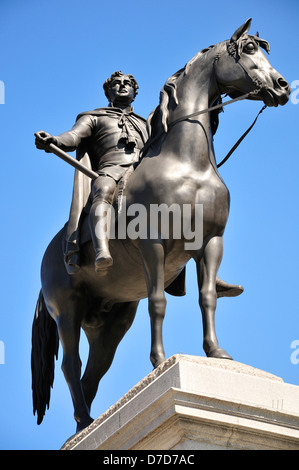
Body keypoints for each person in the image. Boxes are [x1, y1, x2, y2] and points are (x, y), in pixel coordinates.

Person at [35, 71, 148, 273]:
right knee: (103, 190)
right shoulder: (94, 117)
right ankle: (101, 250)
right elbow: (73, 136)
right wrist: (55, 140)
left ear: (134, 92)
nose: (122, 86)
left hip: (144, 170)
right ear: (108, 92)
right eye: (116, 83)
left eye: (127, 83)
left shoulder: (147, 124)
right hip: (111, 170)